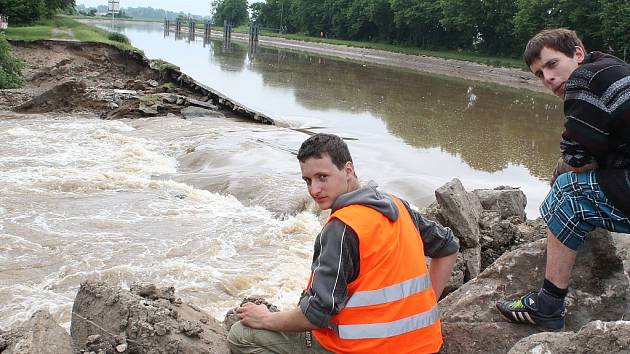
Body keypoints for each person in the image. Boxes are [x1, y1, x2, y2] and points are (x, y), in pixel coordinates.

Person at [228, 133, 459, 353]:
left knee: (240, 335)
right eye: (308, 180)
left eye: (322, 177)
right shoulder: (397, 206)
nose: (314, 190)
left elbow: (317, 314)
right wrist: (426, 307)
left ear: (348, 170)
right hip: (424, 343)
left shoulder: (342, 227)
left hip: (363, 349)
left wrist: (266, 318)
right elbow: (448, 246)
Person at [496, 28, 630, 330]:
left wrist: (560, 180)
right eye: (540, 74)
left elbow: (576, 157)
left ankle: (548, 304)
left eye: (552, 64)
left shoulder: (586, 79)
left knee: (568, 191)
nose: (549, 78)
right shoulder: (612, 68)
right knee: (569, 183)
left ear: (578, 54)